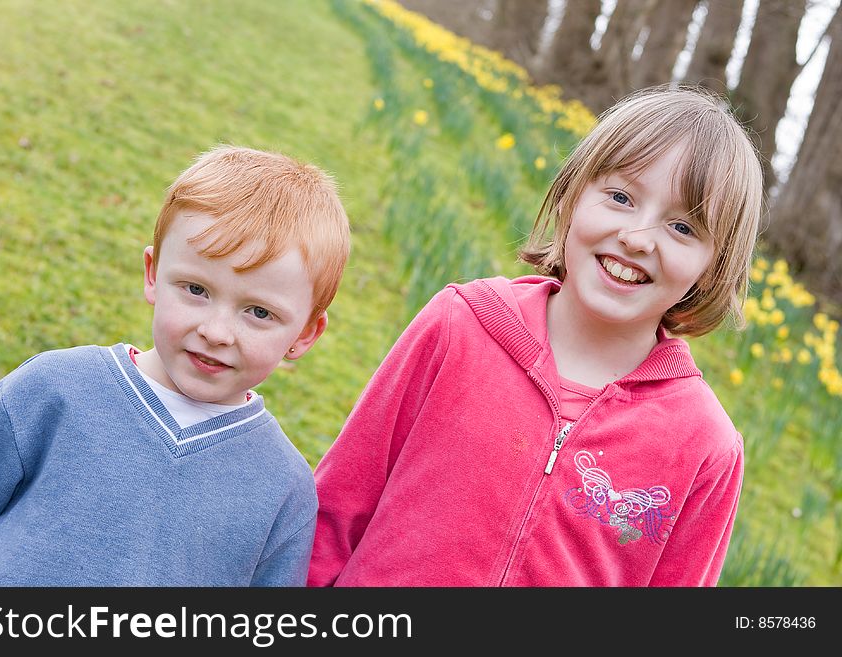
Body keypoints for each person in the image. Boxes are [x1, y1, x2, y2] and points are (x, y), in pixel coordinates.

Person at [308, 86, 762, 587]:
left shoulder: (704, 445)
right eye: (620, 197)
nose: (637, 238)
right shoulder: (461, 325)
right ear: (571, 195)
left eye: (682, 227)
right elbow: (337, 511)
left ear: (713, 267)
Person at [0, 146, 350, 586]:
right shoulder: (50, 390)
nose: (217, 331)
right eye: (196, 289)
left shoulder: (284, 490)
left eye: (259, 312)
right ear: (153, 273)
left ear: (304, 334)